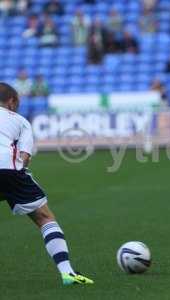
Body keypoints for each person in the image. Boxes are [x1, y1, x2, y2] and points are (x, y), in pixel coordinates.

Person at [0, 82, 93, 285]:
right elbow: (24, 157)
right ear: (12, 101)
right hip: (8, 171)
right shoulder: (20, 121)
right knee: (44, 217)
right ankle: (67, 272)